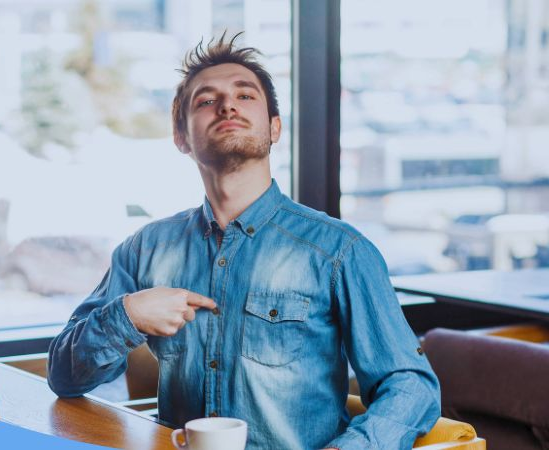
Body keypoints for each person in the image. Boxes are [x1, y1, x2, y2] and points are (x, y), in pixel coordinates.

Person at [47, 33, 440, 450]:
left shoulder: (339, 252)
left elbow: (411, 386)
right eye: (205, 100)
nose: (227, 105)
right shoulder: (144, 249)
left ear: (274, 129)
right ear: (181, 137)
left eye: (245, 95)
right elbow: (64, 378)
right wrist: (127, 315)